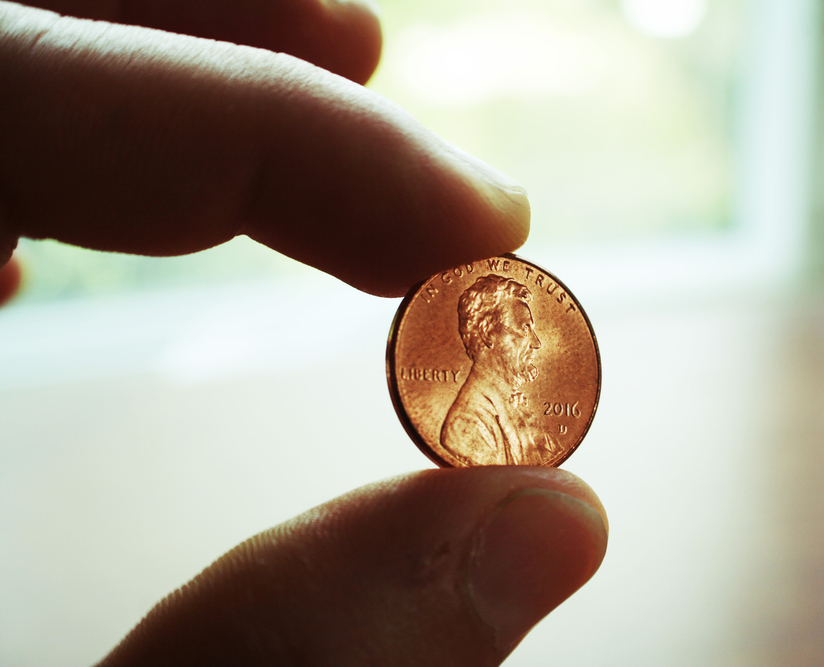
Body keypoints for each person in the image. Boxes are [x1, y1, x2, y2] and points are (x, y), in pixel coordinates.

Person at [0, 1, 608, 665]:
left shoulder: (509, 421)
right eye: (524, 326)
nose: (538, 341)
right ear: (488, 338)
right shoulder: (469, 427)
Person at [441, 274, 558, 466]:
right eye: (524, 329)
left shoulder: (519, 409)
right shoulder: (465, 424)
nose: (536, 343)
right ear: (487, 333)